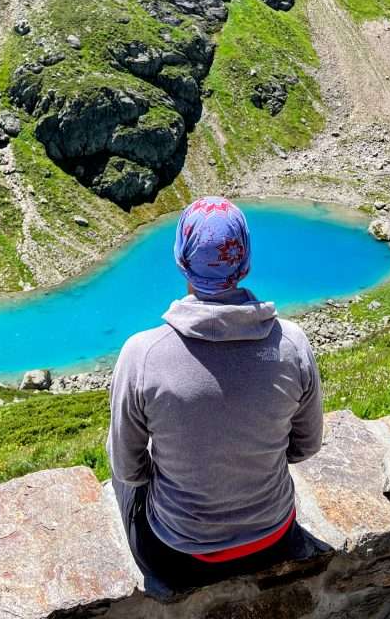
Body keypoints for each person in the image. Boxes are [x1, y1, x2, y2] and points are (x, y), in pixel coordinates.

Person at [107, 196, 324, 596]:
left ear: (181, 260)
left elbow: (129, 470)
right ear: (244, 263)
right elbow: (305, 447)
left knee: (117, 461)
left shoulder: (142, 353)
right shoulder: (292, 344)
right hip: (273, 538)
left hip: (180, 554)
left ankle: (163, 583)